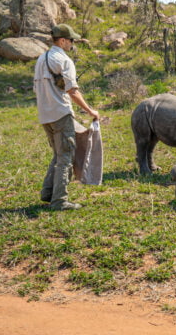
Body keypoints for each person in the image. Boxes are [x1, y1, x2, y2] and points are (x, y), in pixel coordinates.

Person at [34, 24, 99, 211]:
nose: (72, 43)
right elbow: (72, 91)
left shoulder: (41, 59)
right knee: (66, 158)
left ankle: (48, 192)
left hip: (45, 116)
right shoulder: (64, 60)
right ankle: (60, 201)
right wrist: (90, 111)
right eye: (71, 40)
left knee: (58, 155)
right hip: (61, 114)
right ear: (62, 41)